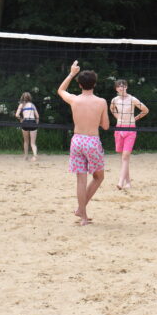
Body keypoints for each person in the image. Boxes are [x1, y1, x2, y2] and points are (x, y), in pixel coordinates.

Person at [58, 61, 110, 226]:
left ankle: (83, 216)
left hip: (77, 140)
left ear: (79, 85)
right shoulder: (101, 102)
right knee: (98, 177)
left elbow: (60, 90)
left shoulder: (74, 100)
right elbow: (106, 126)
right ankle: (81, 209)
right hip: (92, 141)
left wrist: (72, 73)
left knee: (81, 179)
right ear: (94, 84)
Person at [110, 79, 149, 191]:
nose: (121, 88)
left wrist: (135, 118)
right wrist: (118, 117)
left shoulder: (132, 99)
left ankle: (120, 182)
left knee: (125, 156)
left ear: (126, 87)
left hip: (130, 129)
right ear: (116, 88)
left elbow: (145, 110)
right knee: (123, 157)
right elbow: (112, 109)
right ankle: (128, 182)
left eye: (123, 86)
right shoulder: (114, 100)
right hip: (119, 128)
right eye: (119, 86)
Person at [15, 92, 39, 162]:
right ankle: (35, 156)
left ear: (22, 97)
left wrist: (21, 119)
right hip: (33, 122)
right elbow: (37, 116)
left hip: (25, 122)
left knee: (26, 141)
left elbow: (17, 115)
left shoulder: (21, 105)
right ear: (30, 98)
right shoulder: (32, 105)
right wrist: (36, 124)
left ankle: (26, 156)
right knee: (33, 143)